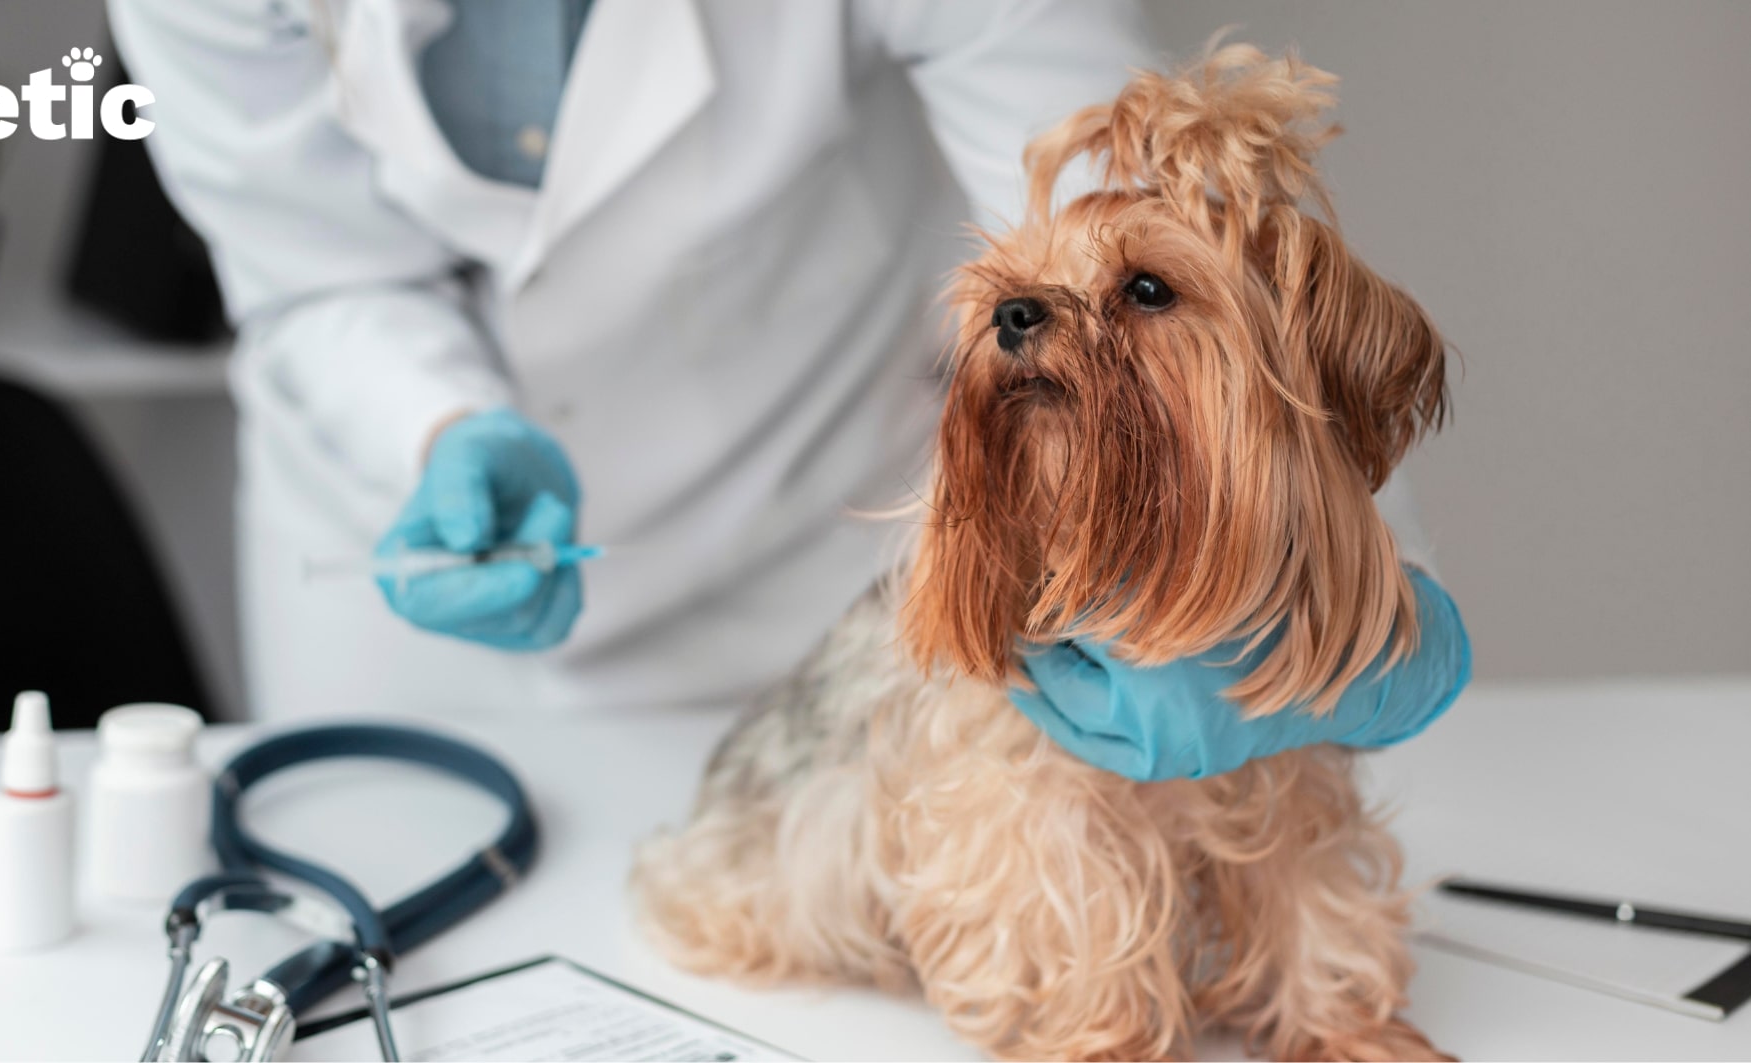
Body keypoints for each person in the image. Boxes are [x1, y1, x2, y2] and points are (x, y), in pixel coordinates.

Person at [110, 0, 1467, 777]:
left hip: (814, 564)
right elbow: (314, 270)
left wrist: (1329, 605)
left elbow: (1171, 251)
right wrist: (441, 428)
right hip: (400, 586)